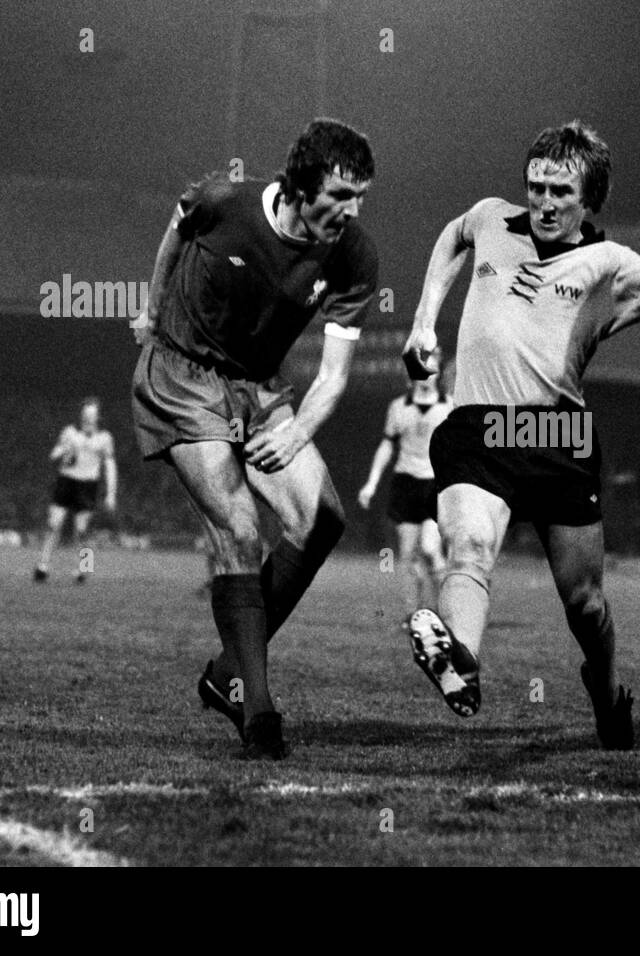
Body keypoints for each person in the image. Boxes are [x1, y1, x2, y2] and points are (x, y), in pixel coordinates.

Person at [401, 120, 640, 749]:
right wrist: (423, 321)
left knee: (585, 604)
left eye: (560, 192)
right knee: (468, 548)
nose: (543, 201)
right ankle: (460, 658)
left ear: (588, 200)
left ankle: (609, 690)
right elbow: (452, 236)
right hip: (477, 426)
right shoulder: (491, 218)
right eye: (536, 186)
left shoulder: (613, 264)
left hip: (556, 434)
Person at [130, 118, 378, 759]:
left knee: (322, 519)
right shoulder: (227, 201)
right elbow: (178, 223)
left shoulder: (354, 257)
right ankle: (258, 712)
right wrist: (153, 308)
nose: (351, 213)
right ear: (300, 186)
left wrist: (297, 432)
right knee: (239, 529)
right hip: (184, 374)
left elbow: (333, 375)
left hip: (258, 388)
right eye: (342, 196)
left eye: (361, 199)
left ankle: (225, 674)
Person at [357, 358, 452, 619]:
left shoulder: (450, 406)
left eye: (430, 370)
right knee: (408, 553)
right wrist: (372, 482)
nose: (425, 376)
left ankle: (450, 613)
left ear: (438, 374)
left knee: (431, 549)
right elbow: (387, 445)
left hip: (436, 484)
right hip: (405, 483)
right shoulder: (398, 408)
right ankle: (413, 615)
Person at [34, 397, 117, 583]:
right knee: (54, 524)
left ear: (98, 417)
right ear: (81, 416)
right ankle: (42, 566)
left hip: (87, 486)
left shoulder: (104, 439)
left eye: (92, 416)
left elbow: (110, 466)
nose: (88, 419)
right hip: (66, 482)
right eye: (86, 415)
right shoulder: (70, 433)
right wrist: (64, 449)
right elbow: (54, 455)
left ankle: (84, 570)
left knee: (82, 530)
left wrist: (111, 493)